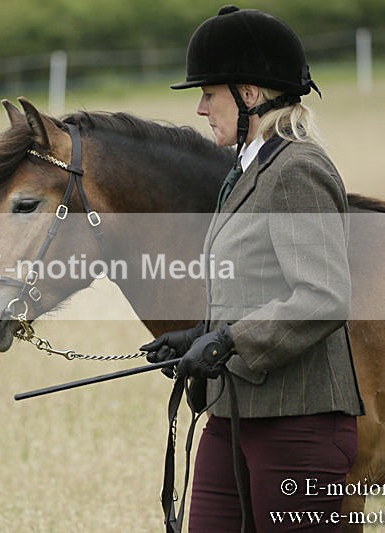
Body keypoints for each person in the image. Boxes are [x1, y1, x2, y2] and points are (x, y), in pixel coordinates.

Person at [140, 6, 364, 532]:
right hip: (231, 416)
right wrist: (201, 334)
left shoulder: (298, 170)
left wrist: (231, 342)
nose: (200, 108)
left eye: (209, 94)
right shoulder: (244, 172)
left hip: (299, 427)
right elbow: (255, 287)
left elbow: (324, 296)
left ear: (250, 94)